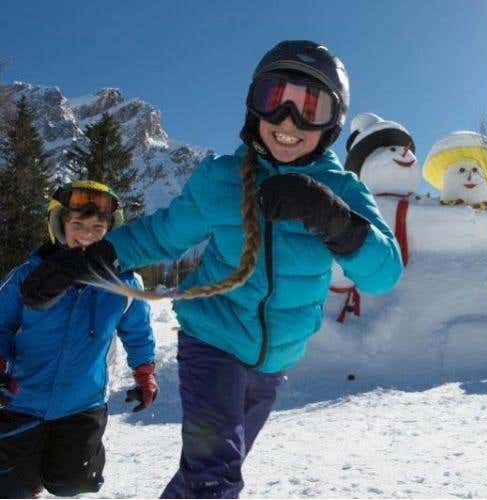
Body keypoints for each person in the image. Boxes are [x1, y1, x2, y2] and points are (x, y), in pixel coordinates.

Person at [22, 40, 403, 498]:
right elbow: (161, 235)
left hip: (273, 362)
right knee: (214, 475)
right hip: (212, 341)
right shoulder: (221, 178)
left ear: (333, 122)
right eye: (274, 98)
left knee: (206, 473)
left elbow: (383, 273)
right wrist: (83, 263)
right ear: (253, 105)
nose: (288, 121)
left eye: (310, 108)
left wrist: (333, 218)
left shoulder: (344, 190)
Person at [0, 180, 158, 498]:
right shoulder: (27, 277)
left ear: (109, 231)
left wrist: (145, 374)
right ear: (60, 226)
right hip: (22, 398)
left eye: (97, 227)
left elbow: (138, 332)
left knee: (73, 482)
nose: (87, 233)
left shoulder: (124, 284)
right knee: (11, 487)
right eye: (78, 225)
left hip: (82, 403)